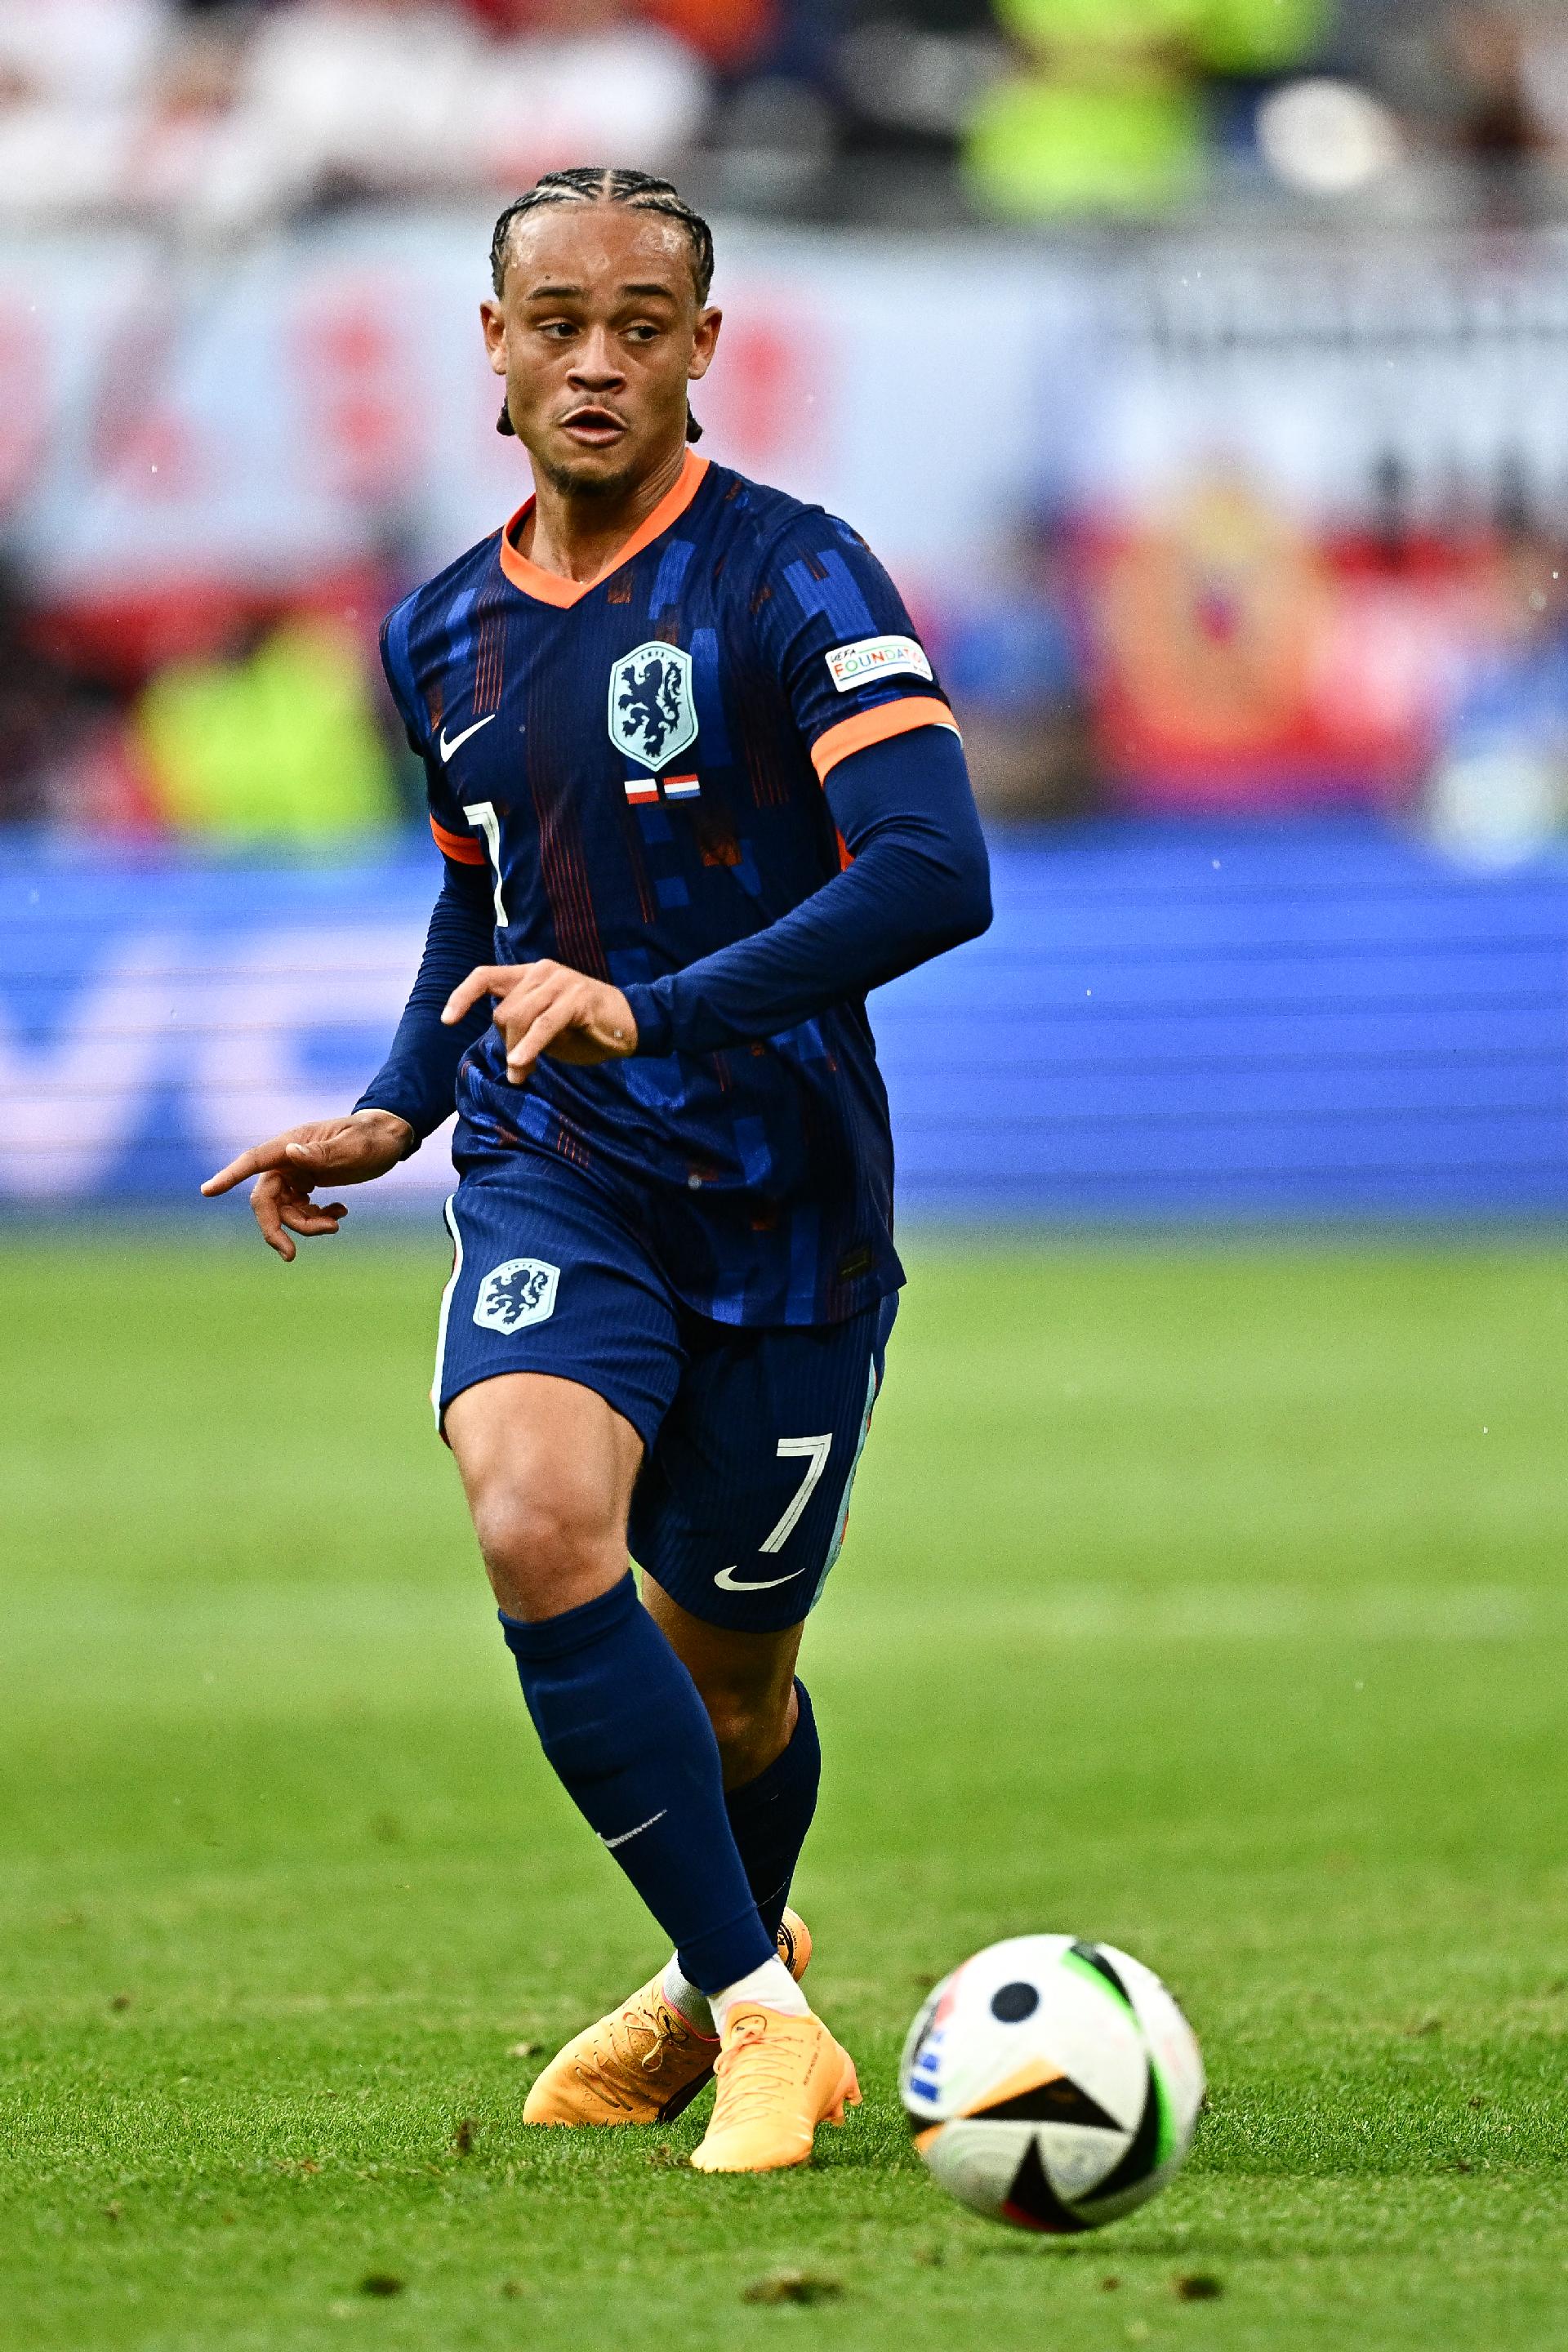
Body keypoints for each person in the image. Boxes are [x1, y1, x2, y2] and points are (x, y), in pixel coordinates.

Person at [202, 165, 991, 2175]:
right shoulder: (439, 631)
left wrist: (658, 1007)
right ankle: (764, 2016)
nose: (598, 361)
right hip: (561, 1169)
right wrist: (398, 1108)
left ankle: (718, 1973)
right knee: (538, 1521)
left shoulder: (797, 576)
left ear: (704, 349)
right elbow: (481, 902)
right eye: (558, 322)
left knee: (732, 1700)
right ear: (494, 343)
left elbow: (933, 869)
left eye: (644, 326)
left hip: (790, 1200)